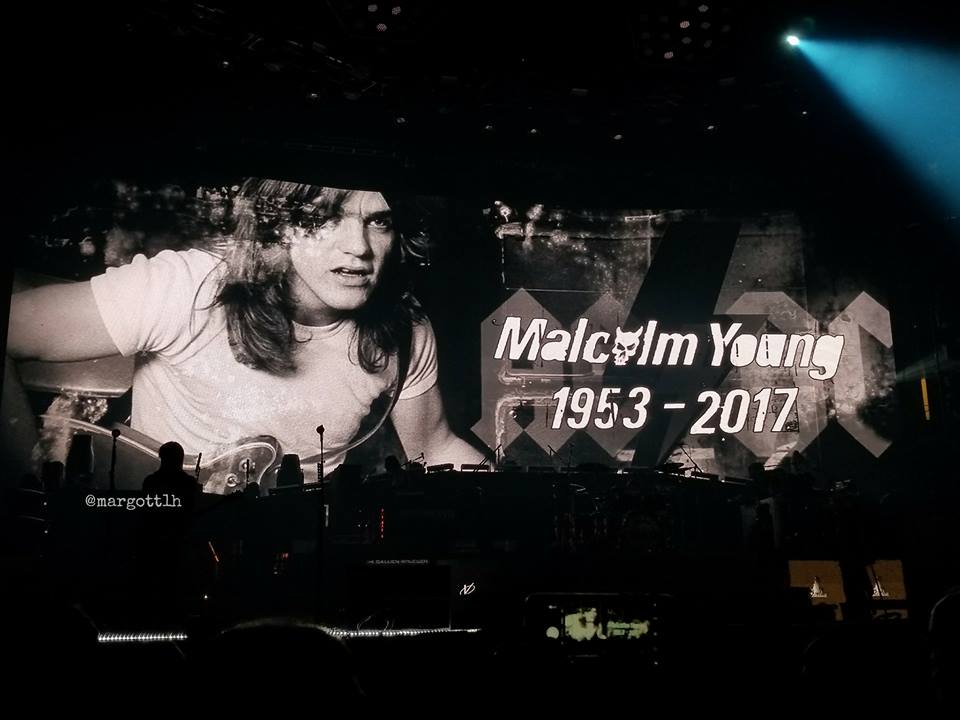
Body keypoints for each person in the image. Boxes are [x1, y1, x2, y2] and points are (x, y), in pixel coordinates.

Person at [3, 178, 481, 490]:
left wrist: (515, 501)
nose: (358, 247)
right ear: (278, 228)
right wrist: (24, 480)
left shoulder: (404, 326)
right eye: (323, 219)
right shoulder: (185, 288)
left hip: (288, 545)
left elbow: (436, 447)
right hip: (157, 533)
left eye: (379, 222)